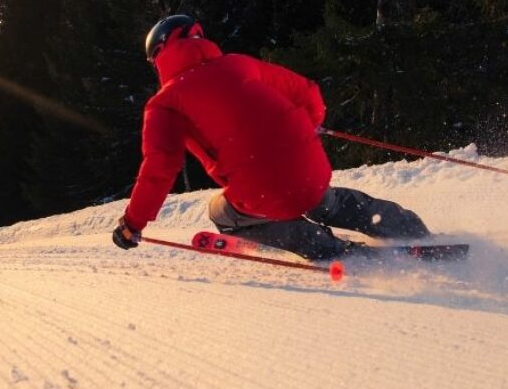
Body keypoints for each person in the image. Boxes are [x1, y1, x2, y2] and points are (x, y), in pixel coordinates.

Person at [112, 14, 431, 260]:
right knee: (323, 199)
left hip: (259, 192)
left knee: (219, 211)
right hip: (309, 166)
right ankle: (406, 227)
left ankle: (325, 247)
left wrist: (133, 224)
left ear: (159, 55)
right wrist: (309, 124)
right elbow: (308, 92)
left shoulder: (163, 103)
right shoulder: (239, 64)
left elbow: (160, 167)